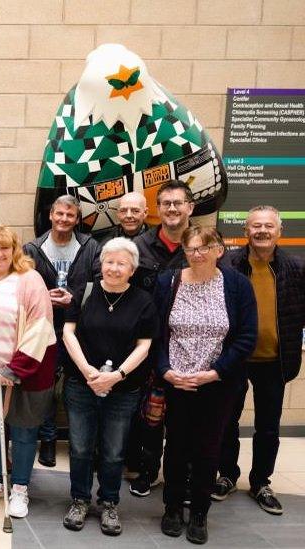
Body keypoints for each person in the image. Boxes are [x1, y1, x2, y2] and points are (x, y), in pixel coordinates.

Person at [154, 226, 257, 545]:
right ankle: (172, 508)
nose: (197, 254)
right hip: (176, 381)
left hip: (217, 384)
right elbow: (155, 333)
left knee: (207, 449)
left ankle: (199, 512)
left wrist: (214, 373)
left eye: (204, 247)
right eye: (191, 248)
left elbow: (246, 338)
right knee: (175, 448)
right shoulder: (167, 282)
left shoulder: (236, 285)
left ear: (219, 250)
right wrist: (166, 371)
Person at [60, 238, 157, 536]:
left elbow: (145, 345)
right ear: (101, 264)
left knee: (114, 451)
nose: (114, 268)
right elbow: (67, 332)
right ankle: (79, 500)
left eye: (121, 264)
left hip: (123, 390)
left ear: (132, 269)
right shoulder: (85, 292)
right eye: (109, 262)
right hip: (81, 384)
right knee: (80, 448)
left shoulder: (144, 301)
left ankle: (109, 503)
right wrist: (87, 370)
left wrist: (118, 375)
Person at [215, 206, 305, 515]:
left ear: (280, 231)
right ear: (245, 232)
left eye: (268, 226)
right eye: (255, 226)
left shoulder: (296, 269)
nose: (262, 231)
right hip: (234, 359)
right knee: (227, 421)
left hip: (275, 362)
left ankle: (261, 481)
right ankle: (226, 475)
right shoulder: (228, 265)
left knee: (268, 427)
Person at [0, 227, 57, 520]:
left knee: (22, 430)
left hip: (20, 372)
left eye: (5, 248)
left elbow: (40, 326)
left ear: (15, 249)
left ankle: (19, 487)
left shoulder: (29, 280)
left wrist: (15, 368)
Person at [125, 180, 195, 498]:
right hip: (148, 344)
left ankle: (183, 473)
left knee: (185, 414)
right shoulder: (139, 246)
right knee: (150, 413)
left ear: (190, 207)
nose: (171, 208)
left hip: (190, 346)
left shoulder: (200, 246)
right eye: (165, 203)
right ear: (158, 209)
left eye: (178, 203)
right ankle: (148, 470)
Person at [22, 194, 100, 468]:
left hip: (81, 328)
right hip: (44, 327)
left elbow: (99, 283)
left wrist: (74, 300)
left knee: (76, 387)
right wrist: (45, 295)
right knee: (45, 388)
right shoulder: (32, 248)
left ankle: (85, 444)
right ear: (51, 215)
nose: (64, 219)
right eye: (59, 214)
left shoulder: (90, 247)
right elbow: (22, 284)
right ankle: (48, 440)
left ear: (77, 219)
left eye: (70, 215)